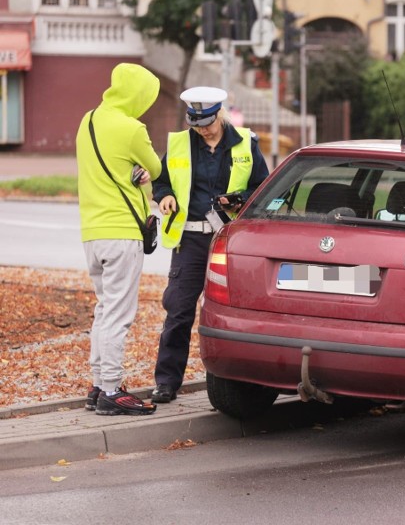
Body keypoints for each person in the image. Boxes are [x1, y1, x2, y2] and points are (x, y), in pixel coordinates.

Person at [150, 86, 269, 403]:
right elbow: (161, 181)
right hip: (190, 239)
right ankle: (166, 382)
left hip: (229, 241)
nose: (202, 129)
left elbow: (263, 186)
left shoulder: (245, 143)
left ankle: (240, 383)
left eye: (207, 122)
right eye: (196, 123)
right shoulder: (179, 144)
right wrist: (165, 196)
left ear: (220, 114)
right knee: (178, 311)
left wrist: (241, 200)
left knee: (234, 314)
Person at [75, 62, 162, 416]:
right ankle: (111, 389)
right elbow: (155, 168)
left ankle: (98, 385)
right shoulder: (132, 128)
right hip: (122, 232)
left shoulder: (88, 120)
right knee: (118, 315)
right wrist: (142, 175)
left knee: (103, 310)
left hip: (92, 233)